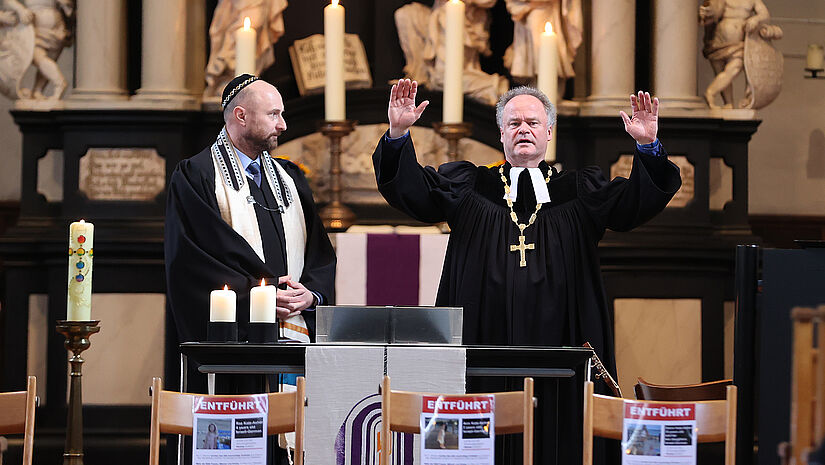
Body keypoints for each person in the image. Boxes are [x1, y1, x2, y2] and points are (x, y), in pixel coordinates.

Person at [372, 79, 681, 464]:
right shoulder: (469, 185)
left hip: (564, 343)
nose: (524, 129)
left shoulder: (580, 189)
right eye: (514, 122)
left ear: (549, 132)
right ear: (501, 132)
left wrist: (648, 148)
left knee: (561, 439)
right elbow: (414, 190)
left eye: (533, 123)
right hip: (481, 341)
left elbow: (634, 204)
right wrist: (398, 134)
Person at [165, 73, 336, 346]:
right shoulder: (197, 176)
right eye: (273, 114)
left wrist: (312, 295)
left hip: (295, 334)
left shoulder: (291, 178)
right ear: (241, 115)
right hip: (235, 340)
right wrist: (258, 296)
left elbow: (319, 252)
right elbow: (192, 262)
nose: (283, 125)